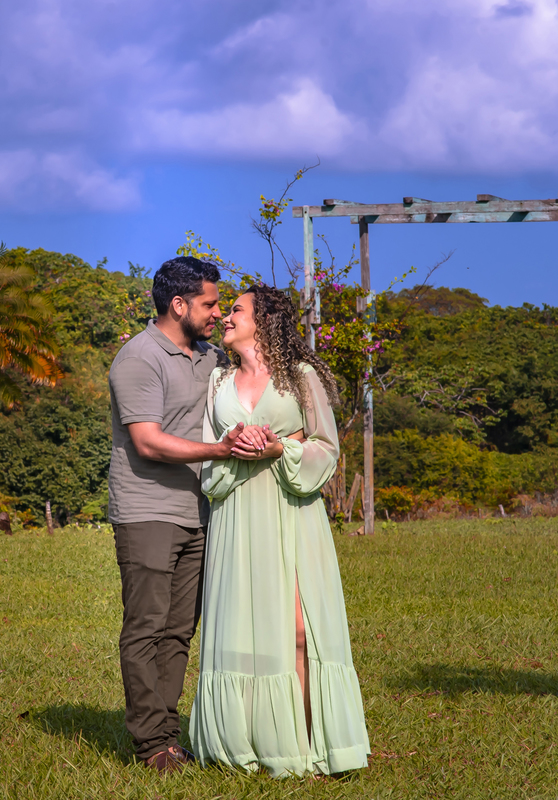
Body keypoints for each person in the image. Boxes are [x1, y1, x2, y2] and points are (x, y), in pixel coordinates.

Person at [189, 284, 370, 777]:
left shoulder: (300, 377)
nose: (226, 318)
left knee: (295, 627)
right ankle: (242, 743)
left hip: (289, 513)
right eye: (227, 311)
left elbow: (326, 449)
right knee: (238, 631)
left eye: (236, 310)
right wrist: (229, 444)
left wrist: (280, 450)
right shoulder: (218, 383)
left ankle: (310, 745)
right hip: (234, 515)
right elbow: (208, 455)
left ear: (264, 321)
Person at [107, 256, 246, 774]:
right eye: (210, 304)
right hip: (146, 511)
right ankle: (150, 744)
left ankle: (168, 733)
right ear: (179, 304)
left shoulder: (208, 355)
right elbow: (146, 442)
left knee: (179, 630)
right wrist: (222, 452)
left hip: (197, 510)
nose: (217, 314)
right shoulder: (139, 358)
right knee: (146, 627)